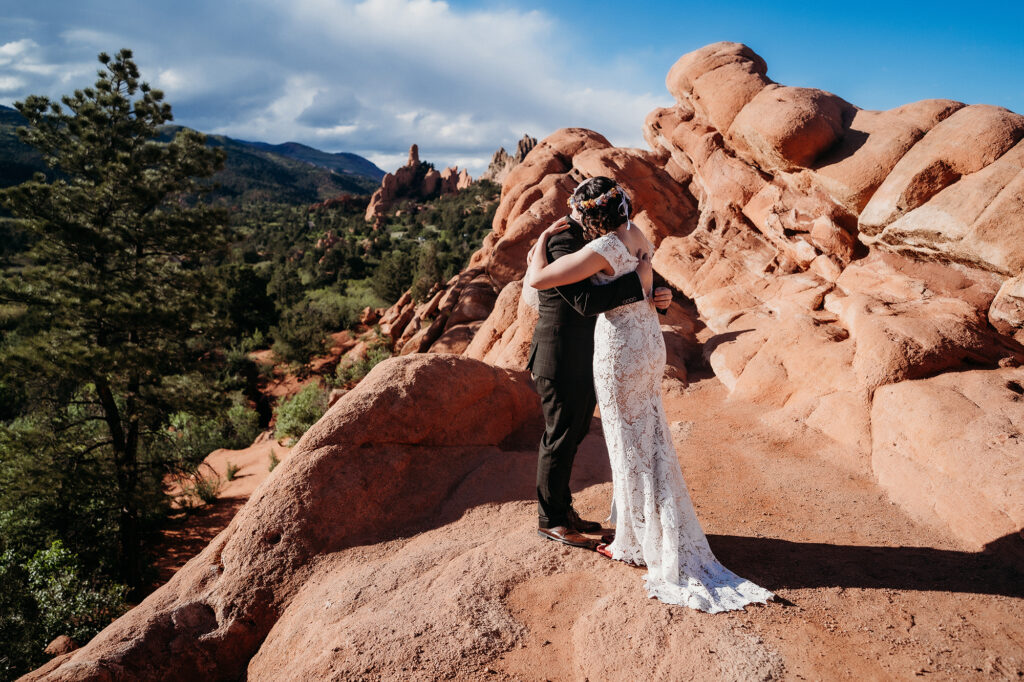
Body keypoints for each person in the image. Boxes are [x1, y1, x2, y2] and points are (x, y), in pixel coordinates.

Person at [526, 176, 774, 612]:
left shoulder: (596, 244)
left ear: (589, 214)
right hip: (618, 347)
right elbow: (596, 295)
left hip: (621, 349)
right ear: (622, 205)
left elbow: (552, 282)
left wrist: (655, 292)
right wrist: (650, 289)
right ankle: (567, 519)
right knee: (628, 435)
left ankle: (636, 534)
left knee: (626, 440)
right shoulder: (626, 237)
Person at [525, 190, 673, 550]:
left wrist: (662, 290)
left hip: (592, 354)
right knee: (559, 437)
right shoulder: (562, 239)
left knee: (574, 434)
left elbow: (640, 267)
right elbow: (584, 301)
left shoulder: (603, 236)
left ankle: (563, 509)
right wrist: (638, 283)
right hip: (560, 356)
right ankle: (552, 521)